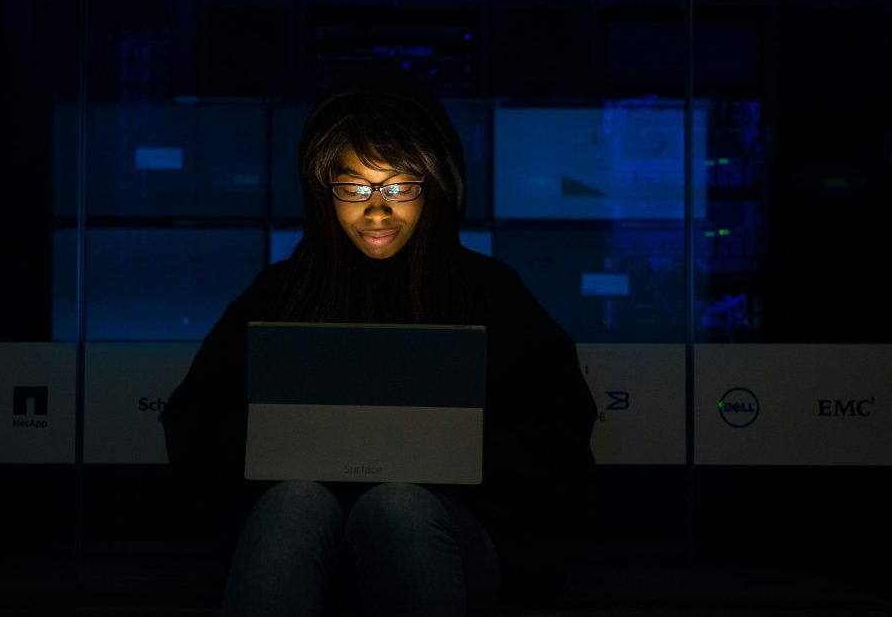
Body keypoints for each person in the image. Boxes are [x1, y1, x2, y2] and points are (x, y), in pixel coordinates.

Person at [160, 64, 597, 616]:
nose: (377, 208)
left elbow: (560, 437)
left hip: (453, 535)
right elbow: (195, 421)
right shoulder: (282, 292)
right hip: (304, 539)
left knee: (397, 506)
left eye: (398, 186)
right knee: (295, 502)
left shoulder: (489, 292)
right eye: (355, 186)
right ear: (325, 191)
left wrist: (459, 453)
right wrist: (278, 448)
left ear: (434, 186)